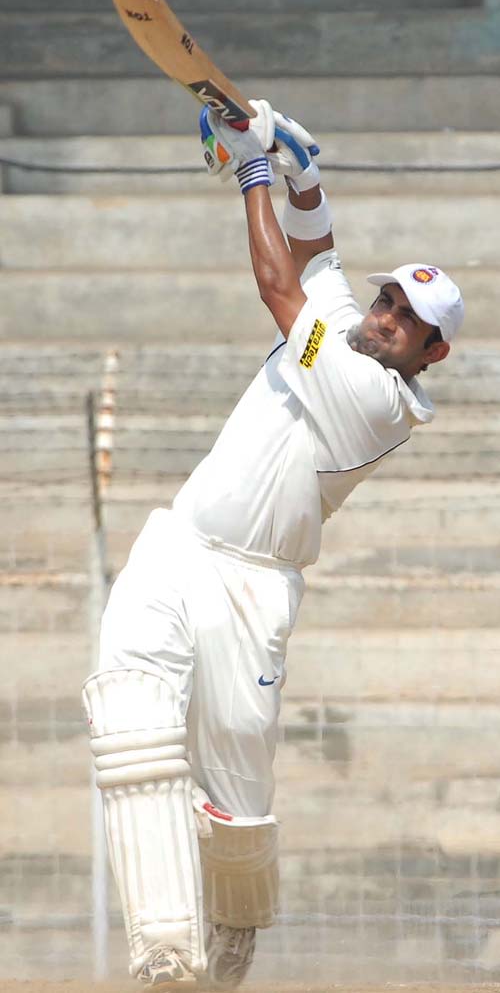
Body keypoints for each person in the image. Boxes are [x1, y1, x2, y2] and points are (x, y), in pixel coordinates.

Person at [82, 100, 464, 991]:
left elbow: (278, 285)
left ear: (431, 353)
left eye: (405, 319)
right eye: (386, 299)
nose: (383, 316)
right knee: (131, 707)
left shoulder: (377, 401)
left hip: (255, 593)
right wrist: (303, 173)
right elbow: (316, 259)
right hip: (182, 544)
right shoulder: (354, 330)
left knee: (236, 802)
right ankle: (166, 953)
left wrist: (253, 168)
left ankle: (227, 948)